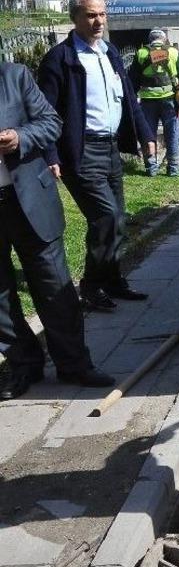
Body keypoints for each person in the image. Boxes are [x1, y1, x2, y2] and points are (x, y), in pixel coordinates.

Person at [0, 61, 114, 400]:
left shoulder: (14, 76)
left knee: (53, 286)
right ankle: (23, 365)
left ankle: (74, 363)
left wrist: (20, 137)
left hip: (29, 200)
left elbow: (51, 123)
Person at [38, 0, 155, 313]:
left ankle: (113, 280)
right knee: (105, 217)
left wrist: (145, 134)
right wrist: (50, 155)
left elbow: (129, 98)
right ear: (75, 18)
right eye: (91, 15)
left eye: (102, 14)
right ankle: (90, 287)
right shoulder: (60, 60)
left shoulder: (109, 53)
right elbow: (44, 111)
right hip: (81, 150)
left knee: (117, 218)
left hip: (110, 148)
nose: (98, 21)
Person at [128, 28, 179, 177]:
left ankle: (151, 167)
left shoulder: (141, 53)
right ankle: (174, 167)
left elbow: (133, 79)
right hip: (170, 100)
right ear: (164, 39)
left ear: (150, 40)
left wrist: (133, 99)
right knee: (173, 133)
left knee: (148, 134)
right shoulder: (173, 52)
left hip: (148, 100)